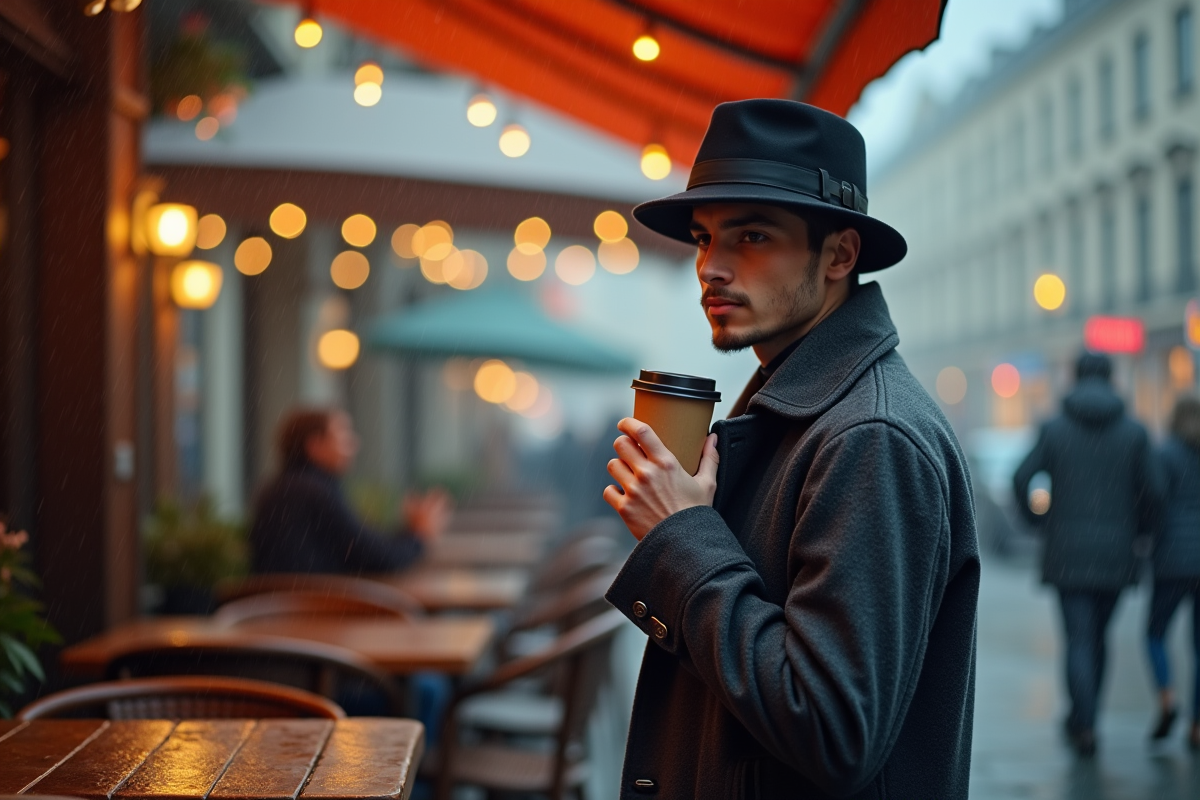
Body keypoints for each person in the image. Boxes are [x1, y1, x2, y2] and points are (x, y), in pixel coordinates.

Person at [601, 100, 980, 799]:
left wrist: (681, 536)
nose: (711, 267)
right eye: (704, 238)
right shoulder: (798, 408)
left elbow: (832, 728)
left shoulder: (871, 435)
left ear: (840, 254)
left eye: (752, 236)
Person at [1013, 352, 1161, 757]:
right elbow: (1154, 490)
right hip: (1117, 550)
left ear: (1075, 377)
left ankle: (1084, 722)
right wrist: (1139, 530)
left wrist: (1039, 522)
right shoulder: (1134, 432)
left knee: (1077, 637)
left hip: (1068, 551)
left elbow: (1021, 477)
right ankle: (1088, 715)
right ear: (1111, 378)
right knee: (1099, 637)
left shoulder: (1055, 428)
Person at [249, 407, 450, 574]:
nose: (354, 445)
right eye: (344, 438)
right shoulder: (313, 491)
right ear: (315, 445)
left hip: (286, 604)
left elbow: (362, 548)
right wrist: (419, 536)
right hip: (312, 606)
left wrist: (410, 532)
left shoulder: (281, 487)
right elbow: (376, 558)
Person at [1146, 394, 1200, 749]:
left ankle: (1167, 696)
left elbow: (1153, 499)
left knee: (1155, 633)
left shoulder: (1165, 454)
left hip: (1171, 558)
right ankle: (1197, 725)